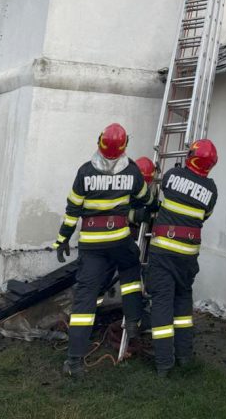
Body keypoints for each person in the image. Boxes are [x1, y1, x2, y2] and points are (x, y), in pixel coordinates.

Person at [53, 123, 148, 378]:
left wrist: (62, 239)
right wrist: (143, 210)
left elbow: (72, 210)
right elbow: (144, 199)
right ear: (125, 146)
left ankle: (74, 361)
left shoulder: (85, 172)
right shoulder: (132, 170)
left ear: (100, 142)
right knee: (130, 270)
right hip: (119, 241)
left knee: (85, 297)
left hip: (92, 245)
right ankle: (133, 321)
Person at [146, 139, 218, 377]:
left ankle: (163, 364)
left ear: (191, 157)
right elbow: (204, 216)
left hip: (163, 254)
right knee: (183, 305)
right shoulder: (211, 190)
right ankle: (185, 357)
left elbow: (160, 195)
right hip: (188, 257)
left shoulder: (172, 175)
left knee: (162, 305)